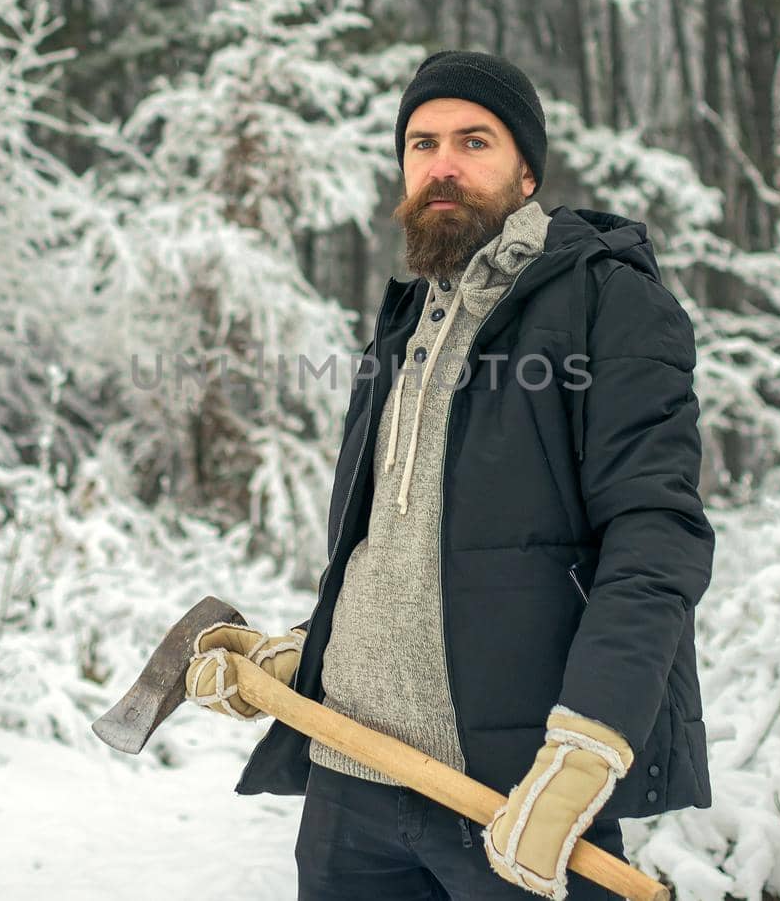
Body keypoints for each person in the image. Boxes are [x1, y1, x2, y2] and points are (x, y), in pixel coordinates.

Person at [185, 50, 715, 900]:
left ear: (528, 169)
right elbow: (392, 546)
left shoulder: (608, 301)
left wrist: (591, 740)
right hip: (350, 781)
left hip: (515, 793)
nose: (443, 164)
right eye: (422, 143)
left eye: (475, 141)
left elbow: (656, 532)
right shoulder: (404, 322)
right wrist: (306, 656)